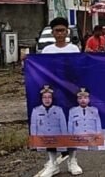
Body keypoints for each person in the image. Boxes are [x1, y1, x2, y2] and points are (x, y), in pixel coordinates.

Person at [37, 17, 81, 177]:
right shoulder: (47, 51)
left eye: (63, 30)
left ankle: (72, 160)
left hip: (69, 93)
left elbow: (78, 71)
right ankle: (52, 162)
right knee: (51, 127)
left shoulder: (74, 49)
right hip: (52, 94)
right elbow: (40, 71)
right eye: (57, 31)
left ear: (67, 31)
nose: (60, 33)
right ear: (53, 32)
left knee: (71, 126)